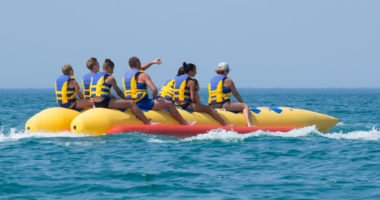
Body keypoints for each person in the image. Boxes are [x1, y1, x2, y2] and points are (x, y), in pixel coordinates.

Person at [123, 56, 195, 126]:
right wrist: (155, 99)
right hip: (143, 103)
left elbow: (140, 68)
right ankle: (184, 123)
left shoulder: (126, 75)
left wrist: (152, 62)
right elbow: (154, 90)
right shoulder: (143, 75)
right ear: (138, 63)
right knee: (169, 104)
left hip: (131, 103)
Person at [91, 59, 156, 125]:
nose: (113, 72)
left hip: (95, 103)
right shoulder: (110, 78)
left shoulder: (95, 77)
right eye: (112, 69)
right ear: (109, 68)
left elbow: (100, 92)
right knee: (131, 103)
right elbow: (119, 92)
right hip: (104, 103)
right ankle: (147, 122)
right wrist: (125, 99)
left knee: (114, 99)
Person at [208, 62, 253, 127]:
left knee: (233, 102)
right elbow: (236, 94)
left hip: (211, 106)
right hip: (223, 105)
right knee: (245, 106)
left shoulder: (211, 80)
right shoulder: (228, 80)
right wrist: (242, 102)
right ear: (226, 71)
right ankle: (249, 124)